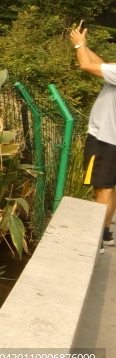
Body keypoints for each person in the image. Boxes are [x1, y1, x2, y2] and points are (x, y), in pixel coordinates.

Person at [70, 23, 116, 252]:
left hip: (107, 138)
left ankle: (96, 240)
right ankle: (106, 233)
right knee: (109, 187)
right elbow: (102, 66)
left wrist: (78, 45)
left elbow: (87, 65)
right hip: (111, 138)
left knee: (103, 188)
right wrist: (84, 44)